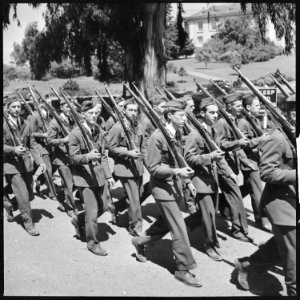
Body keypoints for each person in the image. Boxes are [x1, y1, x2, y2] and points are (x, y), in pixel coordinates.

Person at [131, 100, 202, 288]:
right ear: (169, 115)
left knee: (166, 223)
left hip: (176, 186)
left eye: (185, 115)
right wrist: (178, 173)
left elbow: (179, 161)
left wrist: (187, 182)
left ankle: (139, 241)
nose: (185, 118)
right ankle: (182, 269)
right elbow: (153, 168)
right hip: (163, 189)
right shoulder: (157, 137)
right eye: (181, 115)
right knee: (179, 228)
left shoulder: (176, 133)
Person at [235, 126, 296, 296]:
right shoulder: (278, 138)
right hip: (283, 204)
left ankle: (247, 265)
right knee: (294, 257)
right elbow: (267, 173)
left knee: (283, 244)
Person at [184, 98, 240, 261]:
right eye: (211, 112)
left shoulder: (212, 131)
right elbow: (189, 158)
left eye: (216, 112)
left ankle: (180, 230)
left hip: (212, 179)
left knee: (205, 213)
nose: (215, 115)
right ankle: (210, 245)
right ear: (202, 114)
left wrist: (229, 172)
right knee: (208, 214)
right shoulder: (195, 133)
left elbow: (219, 156)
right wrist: (209, 157)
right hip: (201, 181)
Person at [69, 100, 115, 256]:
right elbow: (73, 158)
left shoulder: (99, 131)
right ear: (83, 115)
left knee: (104, 206)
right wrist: (87, 157)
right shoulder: (76, 134)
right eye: (90, 113)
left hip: (99, 176)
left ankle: (79, 220)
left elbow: (103, 156)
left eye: (96, 113)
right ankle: (93, 243)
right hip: (84, 178)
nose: (94, 116)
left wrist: (108, 176)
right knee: (93, 212)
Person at [213, 93, 254, 243]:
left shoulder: (232, 120)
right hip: (223, 166)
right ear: (229, 106)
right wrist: (238, 142)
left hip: (231, 164)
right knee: (236, 197)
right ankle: (238, 230)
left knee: (233, 196)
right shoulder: (222, 122)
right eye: (237, 106)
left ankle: (225, 210)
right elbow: (220, 144)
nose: (240, 109)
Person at [4, 96, 46, 236]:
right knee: (23, 196)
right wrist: (12, 150)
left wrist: (40, 162)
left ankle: (9, 205)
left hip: (26, 165)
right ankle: (29, 223)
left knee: (29, 194)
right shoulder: (4, 124)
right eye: (13, 107)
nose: (17, 110)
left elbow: (32, 144)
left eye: (19, 107)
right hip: (11, 165)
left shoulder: (26, 123)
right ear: (7, 108)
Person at [107, 98, 147, 236]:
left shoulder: (139, 127)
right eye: (130, 110)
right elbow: (111, 149)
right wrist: (127, 153)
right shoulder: (117, 128)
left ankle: (115, 207)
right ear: (123, 111)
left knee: (139, 195)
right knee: (135, 201)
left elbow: (144, 147)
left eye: (136, 110)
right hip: (125, 169)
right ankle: (136, 229)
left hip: (138, 168)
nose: (133, 113)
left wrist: (150, 165)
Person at [237, 92, 271, 231]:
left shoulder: (255, 120)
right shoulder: (242, 123)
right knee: (257, 191)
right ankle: (261, 220)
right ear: (248, 108)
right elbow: (241, 145)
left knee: (249, 188)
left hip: (257, 159)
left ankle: (225, 206)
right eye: (256, 106)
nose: (259, 108)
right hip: (249, 161)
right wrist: (259, 140)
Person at [47, 97, 78, 229]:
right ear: (62, 107)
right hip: (62, 159)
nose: (70, 110)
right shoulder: (55, 122)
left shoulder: (74, 120)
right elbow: (50, 140)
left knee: (73, 183)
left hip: (74, 157)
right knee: (69, 184)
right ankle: (71, 208)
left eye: (71, 107)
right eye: (67, 107)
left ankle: (63, 197)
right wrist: (64, 140)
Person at [30, 103, 57, 201]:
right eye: (46, 105)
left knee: (53, 167)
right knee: (48, 170)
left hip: (51, 146)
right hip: (41, 147)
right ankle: (52, 193)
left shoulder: (48, 117)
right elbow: (31, 133)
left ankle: (39, 180)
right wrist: (43, 135)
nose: (49, 106)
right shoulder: (35, 116)